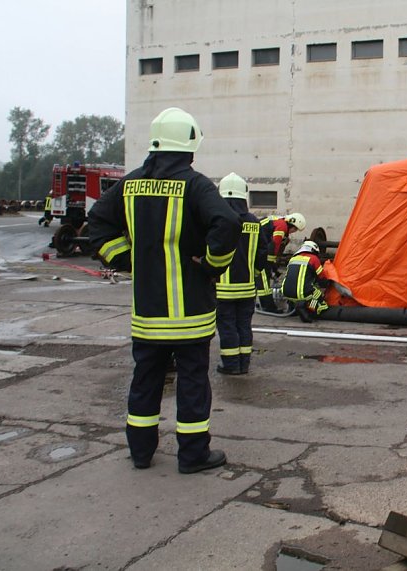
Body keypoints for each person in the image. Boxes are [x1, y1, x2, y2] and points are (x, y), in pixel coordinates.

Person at [88, 107, 241, 474]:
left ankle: (141, 452)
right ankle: (192, 456)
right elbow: (228, 222)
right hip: (190, 315)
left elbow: (98, 221)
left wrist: (124, 258)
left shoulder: (130, 184)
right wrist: (211, 264)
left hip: (147, 314)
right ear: (189, 145)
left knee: (145, 381)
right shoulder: (195, 185)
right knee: (191, 384)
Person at [215, 172, 268, 375]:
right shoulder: (254, 222)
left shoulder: (218, 220)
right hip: (247, 288)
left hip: (223, 289)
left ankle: (230, 365)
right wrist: (254, 272)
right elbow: (264, 251)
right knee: (244, 326)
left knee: (227, 326)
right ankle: (244, 363)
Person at [256, 212, 306, 312]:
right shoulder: (282, 226)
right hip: (258, 251)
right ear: (292, 223)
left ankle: (258, 303)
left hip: (256, 247)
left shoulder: (278, 221)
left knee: (257, 278)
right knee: (264, 279)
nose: (293, 232)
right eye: (295, 229)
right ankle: (268, 307)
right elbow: (274, 244)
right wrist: (270, 263)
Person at [281, 240, 329, 322]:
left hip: (286, 292)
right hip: (301, 293)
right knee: (320, 301)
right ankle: (307, 309)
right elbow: (321, 277)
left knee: (298, 291)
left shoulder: (293, 258)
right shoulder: (313, 258)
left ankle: (292, 308)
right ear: (313, 250)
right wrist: (325, 285)